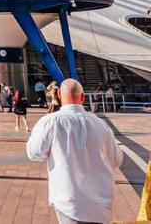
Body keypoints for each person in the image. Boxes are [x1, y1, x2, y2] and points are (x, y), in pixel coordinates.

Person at [26, 79, 122, 224]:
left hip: (69, 201)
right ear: (83, 97)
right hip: (101, 204)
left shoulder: (50, 122)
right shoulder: (101, 124)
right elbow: (117, 160)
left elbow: (34, 153)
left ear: (58, 94)